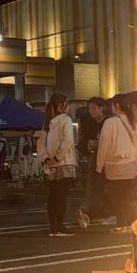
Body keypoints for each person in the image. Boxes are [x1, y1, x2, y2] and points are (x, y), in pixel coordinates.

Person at [96, 95, 137, 233]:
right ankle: (130, 224)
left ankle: (121, 223)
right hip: (130, 166)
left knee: (116, 197)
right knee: (127, 197)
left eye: (112, 105)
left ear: (116, 106)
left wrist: (99, 166)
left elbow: (104, 145)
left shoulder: (110, 123)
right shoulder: (133, 124)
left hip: (114, 167)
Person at [37, 92, 77, 237]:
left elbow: (40, 145)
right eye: (67, 104)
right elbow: (68, 141)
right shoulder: (65, 119)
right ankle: (59, 226)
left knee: (53, 196)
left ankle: (53, 226)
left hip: (50, 166)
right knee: (61, 197)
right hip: (64, 163)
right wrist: (57, 157)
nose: (68, 107)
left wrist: (47, 159)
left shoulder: (47, 123)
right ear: (61, 106)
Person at [77, 96, 110, 228]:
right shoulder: (88, 122)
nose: (91, 111)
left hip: (108, 159)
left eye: (94, 108)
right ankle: (87, 211)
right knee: (93, 184)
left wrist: (96, 142)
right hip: (93, 158)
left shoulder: (108, 122)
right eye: (89, 108)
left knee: (104, 186)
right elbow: (84, 141)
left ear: (102, 108)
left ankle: (93, 211)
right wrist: (89, 148)